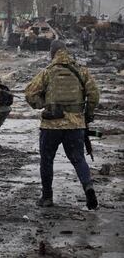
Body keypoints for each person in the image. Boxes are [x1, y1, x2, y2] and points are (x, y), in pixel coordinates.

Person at [25, 40, 99, 210]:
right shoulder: (81, 71)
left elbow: (30, 93)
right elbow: (94, 94)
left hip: (51, 125)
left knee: (47, 159)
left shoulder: (48, 72)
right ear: (66, 51)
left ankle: (47, 197)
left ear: (52, 53)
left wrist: (43, 104)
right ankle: (88, 188)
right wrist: (87, 115)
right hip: (75, 125)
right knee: (78, 159)